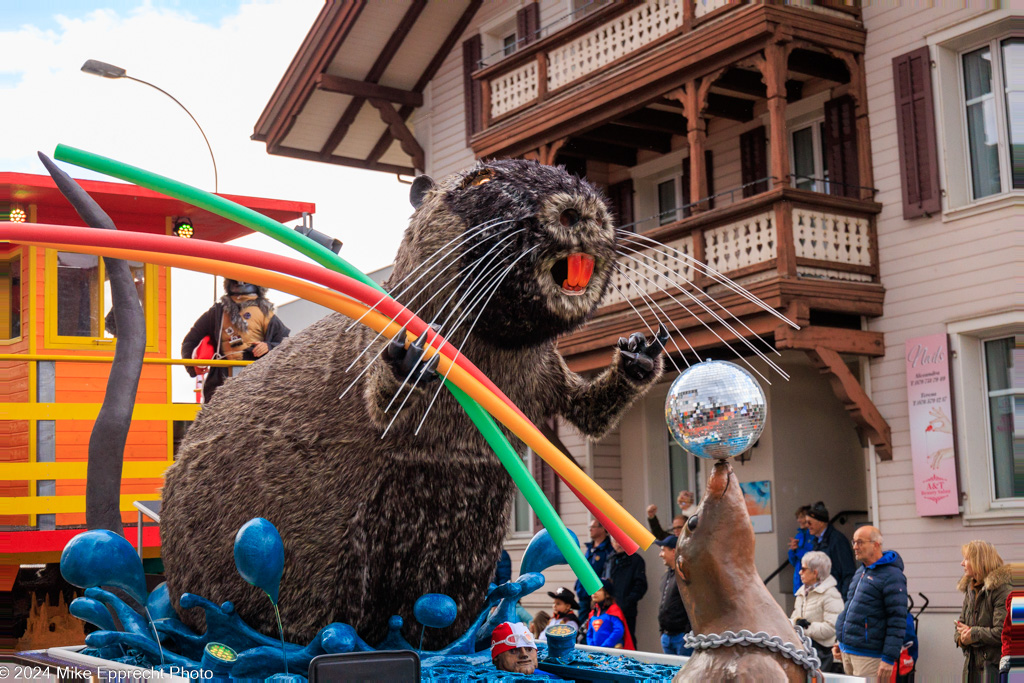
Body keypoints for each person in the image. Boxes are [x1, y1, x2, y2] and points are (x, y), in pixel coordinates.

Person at [181, 279, 290, 402]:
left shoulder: (265, 314)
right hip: (220, 383)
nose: (241, 282)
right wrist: (192, 366)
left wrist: (269, 346)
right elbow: (190, 340)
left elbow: (286, 344)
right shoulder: (217, 313)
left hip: (255, 382)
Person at [832, 525, 907, 679]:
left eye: (860, 542)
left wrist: (888, 658)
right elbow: (850, 610)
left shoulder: (892, 576)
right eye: (854, 542)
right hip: (848, 652)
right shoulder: (861, 571)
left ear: (876, 544)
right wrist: (840, 641)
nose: (855, 547)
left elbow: (897, 620)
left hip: (870, 656)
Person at [955, 540, 1012, 681]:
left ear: (979, 561)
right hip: (971, 670)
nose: (962, 563)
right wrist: (961, 638)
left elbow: (1002, 633)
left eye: (967, 559)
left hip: (993, 671)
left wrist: (972, 634)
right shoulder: (970, 588)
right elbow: (960, 625)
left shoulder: (1002, 590)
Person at [790, 550, 844, 671]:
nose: (799, 572)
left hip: (824, 657)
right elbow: (793, 619)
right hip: (804, 653)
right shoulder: (801, 593)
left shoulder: (831, 594)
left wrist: (804, 629)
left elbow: (832, 628)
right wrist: (796, 623)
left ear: (815, 573)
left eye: (803, 569)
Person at [602, 535, 647, 647]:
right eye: (616, 541)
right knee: (609, 640)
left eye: (621, 540)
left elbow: (640, 586)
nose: (619, 544)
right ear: (612, 544)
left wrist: (627, 602)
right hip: (609, 610)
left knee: (628, 641)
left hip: (626, 611)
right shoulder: (609, 559)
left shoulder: (636, 560)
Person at [805, 501, 855, 598]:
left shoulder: (838, 540)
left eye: (809, 522)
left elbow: (848, 572)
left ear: (821, 523)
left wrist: (844, 599)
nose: (807, 525)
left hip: (836, 596)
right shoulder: (816, 541)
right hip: (822, 596)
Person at [653, 534, 691, 656]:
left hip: (682, 637)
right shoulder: (666, 576)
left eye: (663, 550)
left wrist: (688, 632)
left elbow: (693, 604)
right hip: (667, 636)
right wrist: (662, 632)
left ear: (673, 551)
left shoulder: (685, 576)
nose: (660, 555)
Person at [575, 519, 612, 622]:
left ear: (603, 529)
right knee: (582, 628)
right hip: (584, 595)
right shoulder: (589, 548)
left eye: (593, 527)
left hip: (598, 597)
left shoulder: (608, 550)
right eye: (589, 527)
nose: (590, 529)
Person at [585, 580, 634, 650]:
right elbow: (589, 633)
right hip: (596, 653)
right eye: (593, 589)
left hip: (612, 652)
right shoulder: (593, 613)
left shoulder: (613, 610)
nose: (594, 593)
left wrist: (605, 646)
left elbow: (618, 630)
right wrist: (592, 647)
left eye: (598, 590)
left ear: (607, 594)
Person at [787, 505, 815, 595]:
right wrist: (792, 551)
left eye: (802, 517)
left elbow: (812, 557)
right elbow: (794, 562)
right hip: (799, 581)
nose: (799, 520)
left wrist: (798, 550)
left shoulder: (814, 536)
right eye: (798, 517)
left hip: (811, 580)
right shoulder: (799, 535)